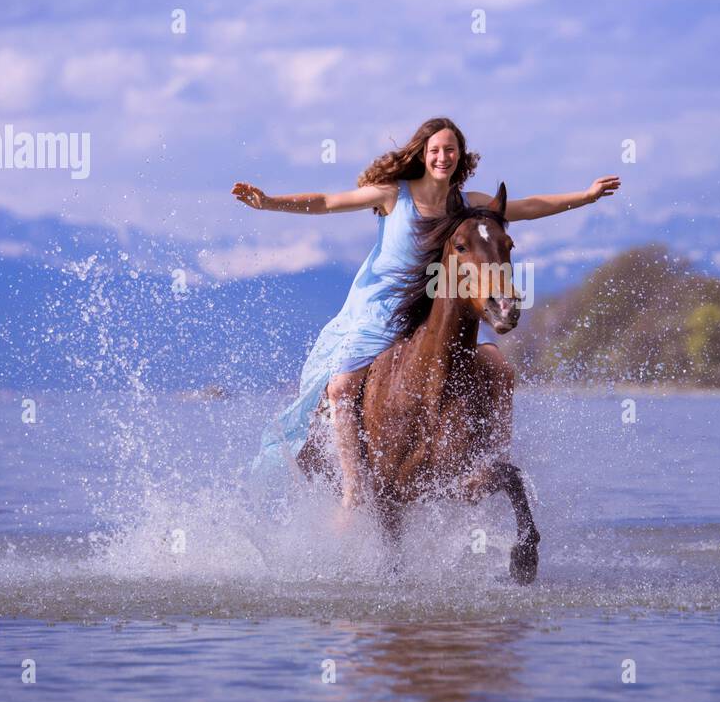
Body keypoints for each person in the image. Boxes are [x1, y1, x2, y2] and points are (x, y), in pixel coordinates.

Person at [232, 116, 620, 510]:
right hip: (382, 305)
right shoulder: (392, 194)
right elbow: (330, 202)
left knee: (501, 371)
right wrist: (269, 203)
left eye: (450, 150)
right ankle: (353, 490)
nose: (443, 157)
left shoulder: (467, 203)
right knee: (341, 387)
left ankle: (491, 460)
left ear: (459, 156)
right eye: (435, 149)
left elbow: (525, 208)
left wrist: (585, 197)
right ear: (423, 154)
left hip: (440, 301)